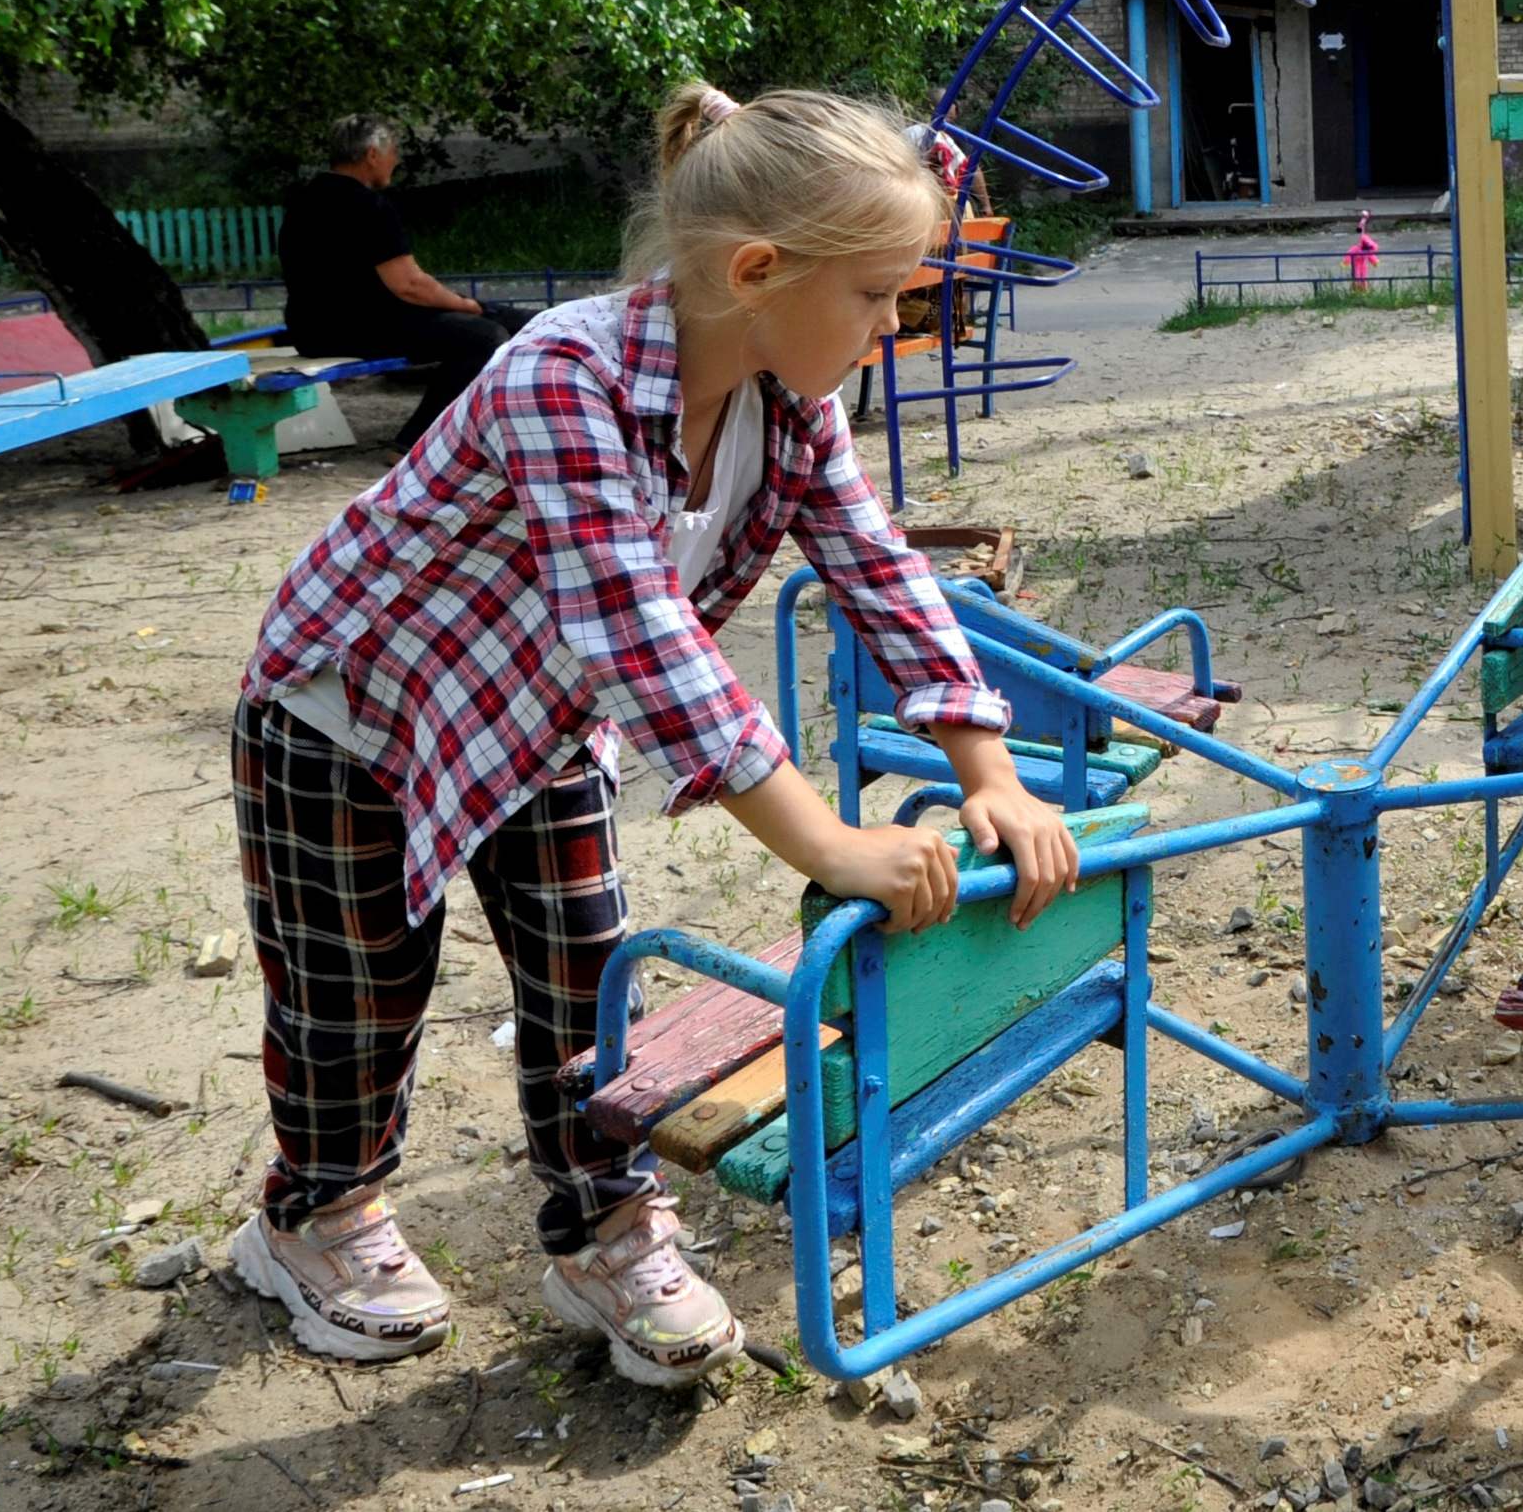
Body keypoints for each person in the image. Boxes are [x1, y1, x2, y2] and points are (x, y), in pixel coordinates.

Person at [227, 83, 1075, 1387]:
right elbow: (635, 632)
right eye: (875, 294)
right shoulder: (561, 376)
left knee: (586, 977)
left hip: (542, 718)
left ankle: (604, 1229)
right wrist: (826, 839)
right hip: (349, 711)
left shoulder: (787, 404)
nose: (896, 321)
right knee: (356, 991)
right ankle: (314, 1217)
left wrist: (988, 768)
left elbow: (881, 572)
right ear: (756, 272)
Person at [279, 117, 526, 455]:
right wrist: (464, 304)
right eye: (393, 152)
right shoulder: (367, 206)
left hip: (311, 328)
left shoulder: (302, 201)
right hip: (358, 327)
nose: (395, 160)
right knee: (484, 335)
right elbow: (409, 285)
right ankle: (416, 440)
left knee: (500, 319)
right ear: (371, 155)